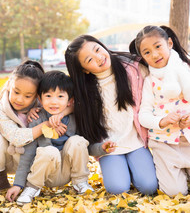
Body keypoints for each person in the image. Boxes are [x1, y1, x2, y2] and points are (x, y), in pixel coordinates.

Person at [65, 35, 158, 195]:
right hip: (109, 146)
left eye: (97, 50)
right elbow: (55, 98)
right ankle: (122, 170)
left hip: (136, 141)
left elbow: (162, 70)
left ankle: (133, 168)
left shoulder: (132, 68)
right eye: (89, 60)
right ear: (84, 70)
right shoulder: (83, 91)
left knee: (149, 187)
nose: (99, 58)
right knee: (117, 188)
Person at [6, 71, 114, 204]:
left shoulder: (75, 119)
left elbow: (87, 148)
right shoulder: (37, 119)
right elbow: (28, 153)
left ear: (70, 101)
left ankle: (80, 182)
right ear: (40, 99)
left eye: (60, 96)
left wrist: (101, 148)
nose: (54, 101)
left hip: (68, 171)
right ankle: (32, 187)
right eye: (48, 96)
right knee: (49, 150)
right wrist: (18, 184)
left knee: (78, 141)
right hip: (46, 174)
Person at [130, 25, 190, 196]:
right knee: (174, 192)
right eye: (147, 52)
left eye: (158, 46)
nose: (154, 54)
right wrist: (161, 121)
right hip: (164, 145)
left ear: (169, 43)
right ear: (142, 57)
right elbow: (143, 115)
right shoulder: (149, 81)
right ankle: (179, 175)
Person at [0, 60, 45, 194]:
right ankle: (0, 179)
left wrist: (40, 113)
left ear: (36, 95)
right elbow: (15, 137)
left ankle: (30, 182)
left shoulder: (43, 106)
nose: (19, 99)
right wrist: (43, 126)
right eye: (16, 92)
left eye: (27, 96)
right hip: (10, 158)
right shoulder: (1, 109)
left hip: (32, 161)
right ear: (9, 85)